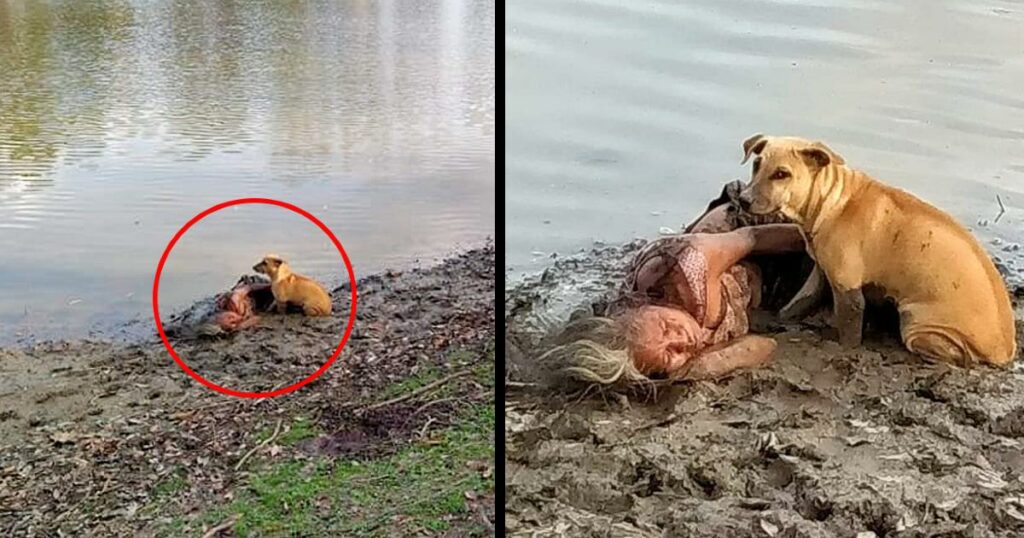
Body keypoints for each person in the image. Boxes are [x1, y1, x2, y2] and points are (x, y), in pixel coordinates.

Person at [541, 198, 807, 384]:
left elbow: (752, 237)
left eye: (666, 328)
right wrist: (698, 367)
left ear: (641, 309)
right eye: (670, 356)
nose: (684, 341)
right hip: (755, 290)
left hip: (760, 230)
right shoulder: (644, 342)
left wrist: (818, 239)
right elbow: (764, 346)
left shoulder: (688, 267)